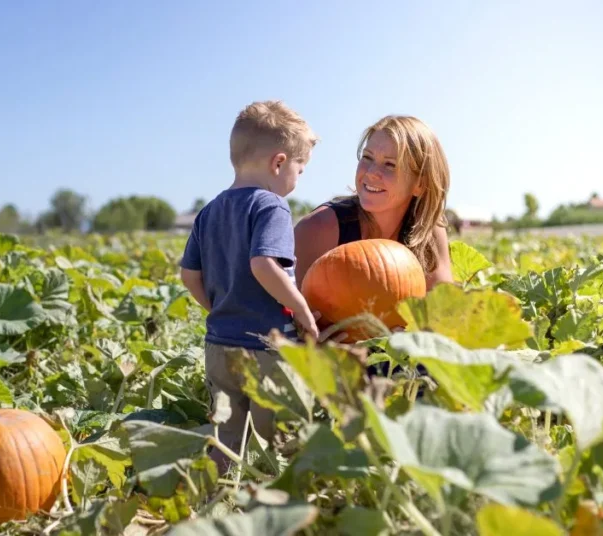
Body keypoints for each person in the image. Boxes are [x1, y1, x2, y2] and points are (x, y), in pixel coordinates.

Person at [179, 100, 320, 474]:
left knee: (226, 434)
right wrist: (301, 309)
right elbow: (263, 264)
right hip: (265, 347)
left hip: (219, 344)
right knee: (273, 434)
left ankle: (220, 493)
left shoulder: (209, 211)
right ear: (278, 163)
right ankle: (269, 495)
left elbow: (189, 275)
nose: (297, 179)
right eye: (299, 169)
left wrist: (218, 308)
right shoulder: (270, 205)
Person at [293, 114, 454, 295]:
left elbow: (443, 307)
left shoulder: (427, 230)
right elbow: (290, 313)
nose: (371, 172)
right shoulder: (319, 228)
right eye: (368, 157)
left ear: (420, 184)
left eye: (390, 165)